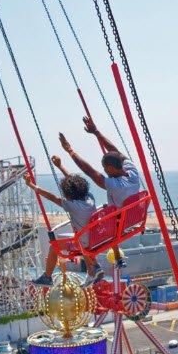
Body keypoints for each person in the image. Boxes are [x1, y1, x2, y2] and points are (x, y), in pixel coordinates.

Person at [60, 115, 141, 268]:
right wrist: (96, 132)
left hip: (119, 222)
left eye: (105, 168)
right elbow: (116, 152)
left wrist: (70, 151)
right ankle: (118, 258)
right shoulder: (133, 172)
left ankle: (94, 267)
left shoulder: (114, 184)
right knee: (107, 213)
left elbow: (89, 171)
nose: (103, 171)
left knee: (88, 223)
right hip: (132, 216)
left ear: (111, 168)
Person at [23, 160, 102, 287]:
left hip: (83, 243)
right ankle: (93, 271)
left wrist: (31, 185)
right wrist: (61, 166)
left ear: (69, 195)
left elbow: (52, 197)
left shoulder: (72, 206)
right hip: (95, 238)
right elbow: (74, 183)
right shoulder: (89, 198)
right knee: (83, 242)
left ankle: (47, 277)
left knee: (54, 247)